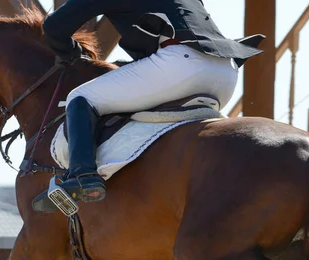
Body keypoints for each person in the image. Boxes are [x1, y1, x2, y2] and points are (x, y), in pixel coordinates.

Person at [36, 0, 263, 214]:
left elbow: (55, 26)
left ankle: (83, 176)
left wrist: (72, 54)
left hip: (181, 65)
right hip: (225, 72)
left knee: (80, 97)